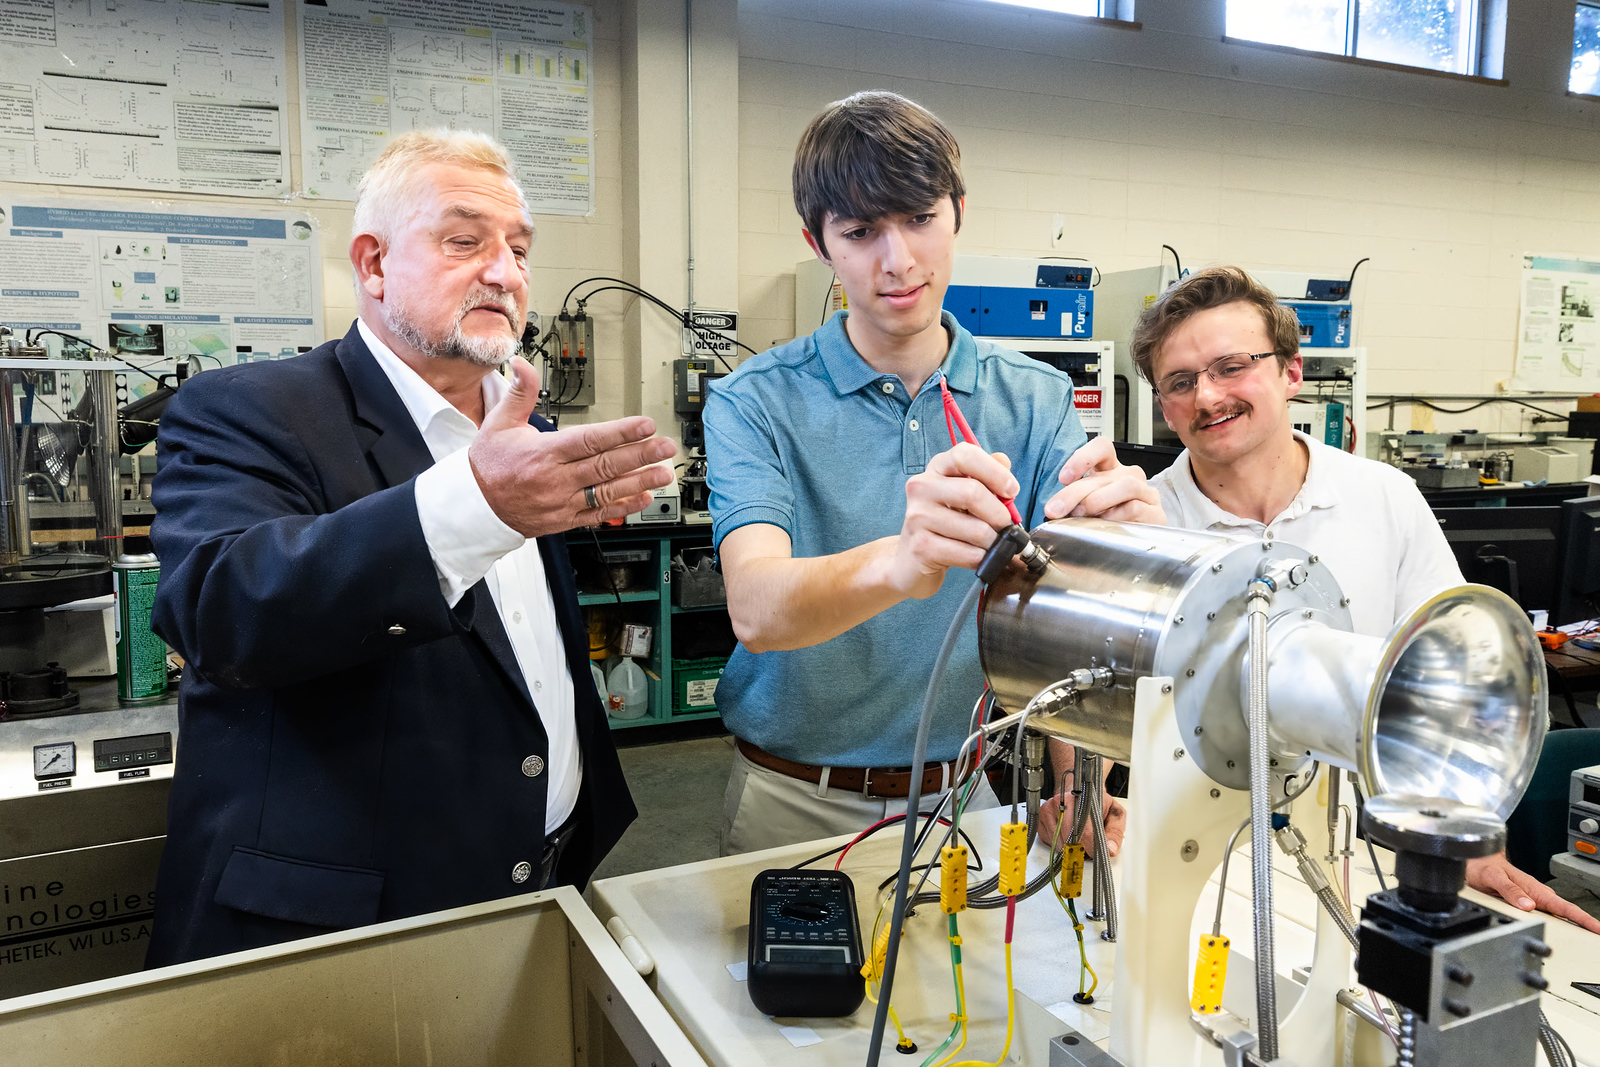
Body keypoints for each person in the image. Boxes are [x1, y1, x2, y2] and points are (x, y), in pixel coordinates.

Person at [145, 130, 677, 965]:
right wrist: (470, 505)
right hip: (337, 934)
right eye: (465, 241)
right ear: (374, 264)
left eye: (520, 250)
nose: (504, 271)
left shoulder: (523, 431)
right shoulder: (249, 409)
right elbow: (220, 612)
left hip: (535, 888)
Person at [705, 91, 1160, 856]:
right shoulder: (756, 401)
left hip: (965, 795)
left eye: (920, 219)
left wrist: (1078, 780)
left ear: (956, 210)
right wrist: (901, 560)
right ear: (818, 244)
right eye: (860, 232)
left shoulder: (1033, 396)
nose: (900, 261)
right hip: (792, 800)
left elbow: (1064, 607)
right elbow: (756, 605)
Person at [1127, 264, 1600, 934]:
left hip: (1367, 857)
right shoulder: (1146, 526)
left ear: (1291, 372)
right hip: (1193, 861)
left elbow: (1451, 687)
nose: (1207, 395)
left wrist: (1461, 839)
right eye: (1179, 381)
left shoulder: (1382, 497)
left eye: (1231, 366)